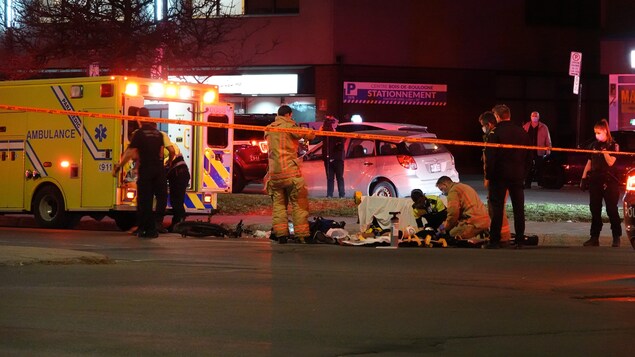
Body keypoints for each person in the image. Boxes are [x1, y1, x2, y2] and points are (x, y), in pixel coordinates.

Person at [113, 107, 167, 239]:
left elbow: (130, 153)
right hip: (158, 170)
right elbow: (161, 153)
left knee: (144, 201)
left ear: (139, 117)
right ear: (148, 116)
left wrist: (119, 167)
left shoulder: (139, 134)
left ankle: (144, 229)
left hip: (147, 170)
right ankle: (153, 228)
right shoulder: (158, 133)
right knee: (158, 198)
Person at [265, 105, 316, 244]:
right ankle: (302, 235)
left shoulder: (269, 129)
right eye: (291, 115)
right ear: (288, 114)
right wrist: (312, 132)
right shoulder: (289, 125)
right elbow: (306, 134)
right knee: (298, 203)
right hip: (290, 173)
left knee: (279, 205)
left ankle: (281, 235)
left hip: (274, 174)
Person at [484, 104, 531, 249]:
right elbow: (529, 155)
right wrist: (524, 174)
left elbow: (491, 156)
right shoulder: (522, 132)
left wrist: (489, 176)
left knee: (497, 208)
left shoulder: (495, 133)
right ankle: (520, 240)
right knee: (518, 208)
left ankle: (495, 240)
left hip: (499, 175)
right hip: (517, 175)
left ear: (497, 116)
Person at [580, 119, 622, 247]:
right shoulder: (593, 145)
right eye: (595, 133)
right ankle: (594, 237)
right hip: (595, 181)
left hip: (610, 181)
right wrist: (583, 177)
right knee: (595, 208)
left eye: (598, 132)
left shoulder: (614, 145)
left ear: (605, 131)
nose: (596, 135)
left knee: (611, 209)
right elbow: (589, 162)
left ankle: (616, 237)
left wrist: (604, 151)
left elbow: (611, 162)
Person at [479, 111, 512, 243]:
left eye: (483, 125)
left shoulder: (494, 136)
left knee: (497, 208)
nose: (482, 128)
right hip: (498, 177)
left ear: (490, 124)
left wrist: (488, 178)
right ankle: (500, 235)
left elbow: (491, 159)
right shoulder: (493, 136)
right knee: (495, 208)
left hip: (497, 179)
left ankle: (502, 236)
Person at [435, 176, 490, 240]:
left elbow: (453, 214)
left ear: (445, 185)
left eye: (442, 189)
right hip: (485, 219)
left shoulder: (453, 191)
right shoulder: (463, 186)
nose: (443, 193)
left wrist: (444, 227)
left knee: (452, 234)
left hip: (474, 222)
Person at [158, 132, 191, 233]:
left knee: (177, 201)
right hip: (180, 174)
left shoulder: (166, 148)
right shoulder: (171, 144)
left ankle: (178, 225)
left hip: (178, 174)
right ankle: (176, 224)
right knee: (176, 200)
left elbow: (163, 162)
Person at [522, 111, 552, 188]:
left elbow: (547, 139)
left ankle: (541, 183)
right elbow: (521, 138)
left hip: (539, 151)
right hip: (528, 151)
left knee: (540, 167)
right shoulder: (526, 126)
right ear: (530, 117)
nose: (534, 117)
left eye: (536, 116)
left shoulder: (544, 127)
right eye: (533, 116)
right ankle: (527, 183)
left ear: (538, 117)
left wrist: (549, 148)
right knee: (528, 167)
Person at [321, 115, 345, 198]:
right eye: (335, 122)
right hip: (328, 159)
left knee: (339, 178)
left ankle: (341, 195)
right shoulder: (325, 133)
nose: (336, 124)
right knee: (330, 178)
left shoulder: (338, 134)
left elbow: (341, 146)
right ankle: (329, 195)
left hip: (337, 159)